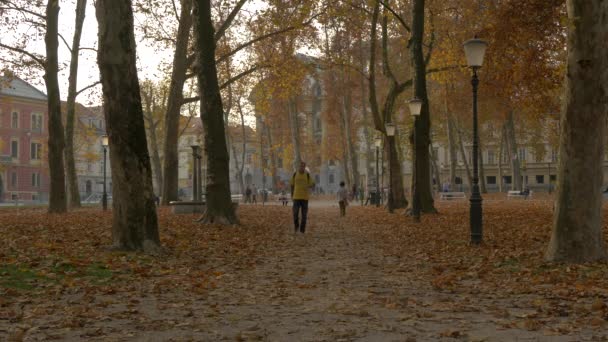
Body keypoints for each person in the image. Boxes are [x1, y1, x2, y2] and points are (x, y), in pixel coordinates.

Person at [290, 161, 315, 233]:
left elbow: (312, 184)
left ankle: (302, 230)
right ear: (298, 167)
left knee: (304, 216)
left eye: (303, 166)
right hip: (296, 197)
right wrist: (292, 195)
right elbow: (292, 185)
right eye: (301, 166)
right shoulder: (295, 174)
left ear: (304, 167)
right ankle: (296, 226)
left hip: (305, 198)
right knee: (295, 213)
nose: (302, 167)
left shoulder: (307, 175)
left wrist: (311, 185)